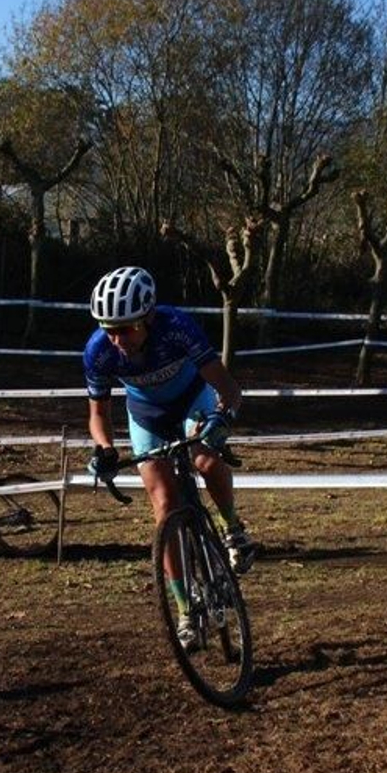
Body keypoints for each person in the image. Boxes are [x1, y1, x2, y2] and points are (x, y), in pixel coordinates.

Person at [81, 265, 258, 650]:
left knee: (205, 460)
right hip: (146, 415)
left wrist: (223, 417)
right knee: (164, 506)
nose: (116, 338)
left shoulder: (176, 326)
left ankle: (233, 529)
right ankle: (185, 610)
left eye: (125, 328)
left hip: (193, 401)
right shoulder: (98, 351)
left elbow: (227, 385)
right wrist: (105, 450)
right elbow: (98, 414)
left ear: (147, 318)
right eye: (108, 329)